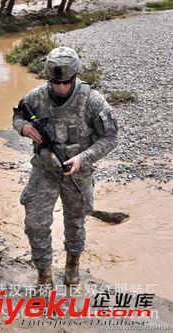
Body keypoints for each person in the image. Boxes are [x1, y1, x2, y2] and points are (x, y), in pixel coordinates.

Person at [12, 46, 118, 287]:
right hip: (44, 170)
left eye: (66, 82)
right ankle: (44, 274)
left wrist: (83, 159)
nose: (60, 87)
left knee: (75, 221)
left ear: (76, 76)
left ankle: (72, 265)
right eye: (55, 82)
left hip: (78, 173)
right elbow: (18, 115)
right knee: (35, 224)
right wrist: (23, 128)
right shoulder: (36, 97)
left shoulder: (92, 100)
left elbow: (110, 137)